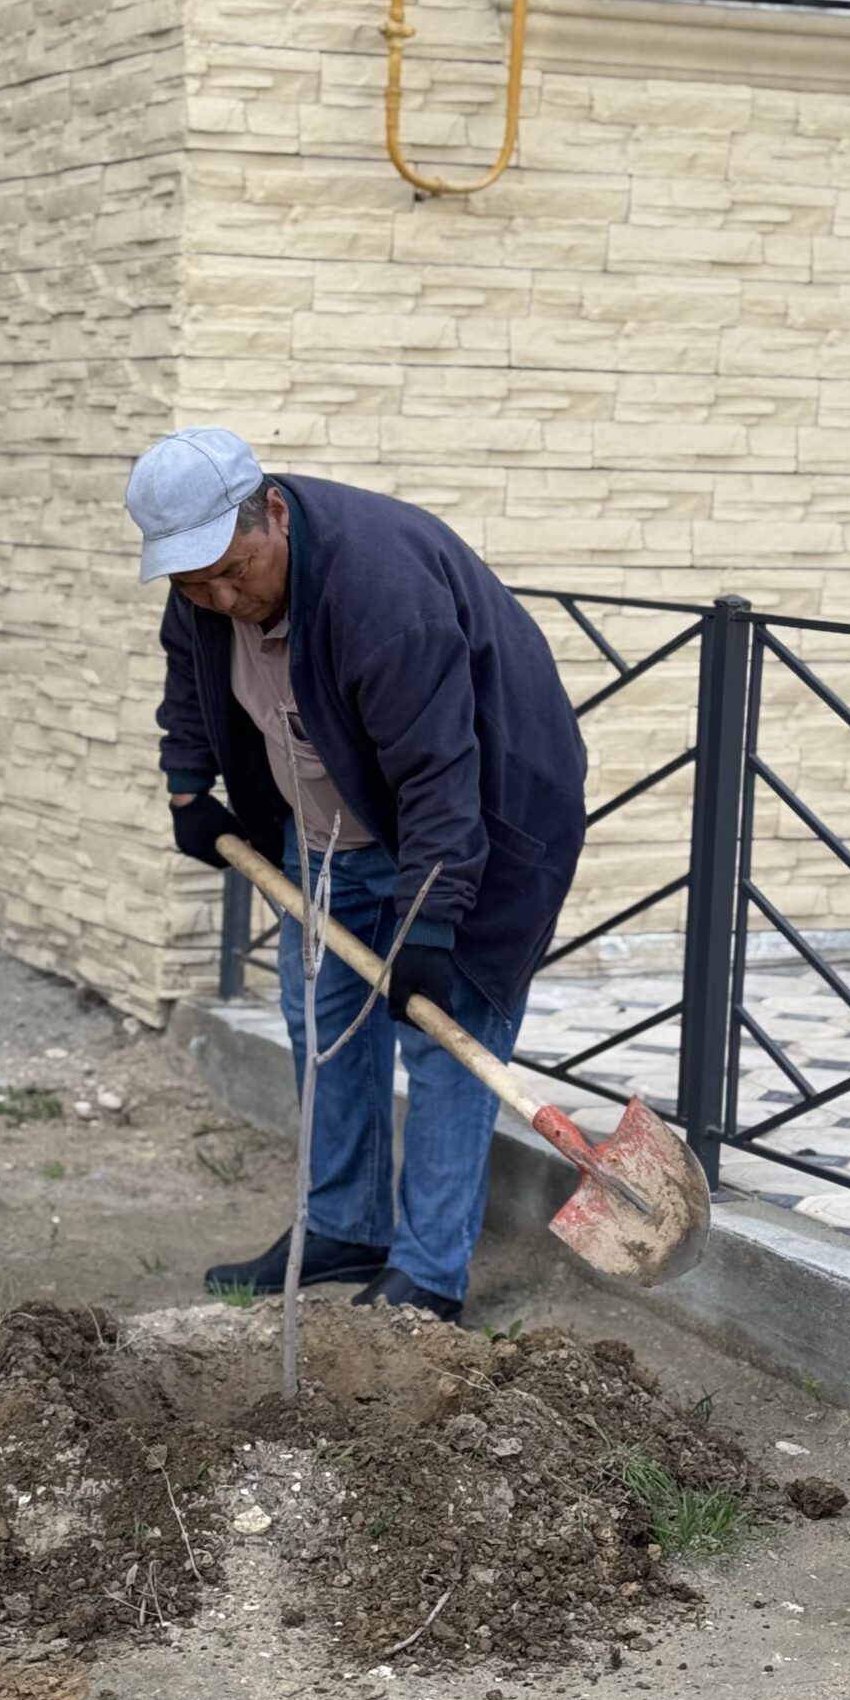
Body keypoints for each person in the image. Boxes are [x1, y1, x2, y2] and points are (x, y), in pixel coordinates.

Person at [130, 425, 587, 1320]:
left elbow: (440, 776)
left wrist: (433, 923)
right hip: (329, 833)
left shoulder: (383, 594)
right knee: (323, 1020)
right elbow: (191, 674)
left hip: (479, 829)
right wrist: (188, 784)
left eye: (235, 572)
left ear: (272, 512)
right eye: (195, 584)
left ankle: (427, 1279)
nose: (222, 598)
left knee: (446, 1047)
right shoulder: (205, 588)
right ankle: (344, 1226)